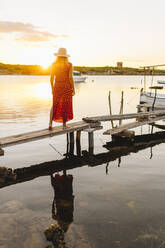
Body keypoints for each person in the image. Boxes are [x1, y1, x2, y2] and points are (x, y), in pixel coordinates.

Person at [49, 48, 75, 130]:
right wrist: (73, 88)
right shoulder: (69, 64)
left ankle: (50, 124)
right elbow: (70, 78)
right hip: (66, 86)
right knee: (65, 105)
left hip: (57, 86)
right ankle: (64, 125)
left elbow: (51, 78)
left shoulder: (54, 64)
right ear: (66, 56)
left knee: (54, 104)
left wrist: (52, 88)